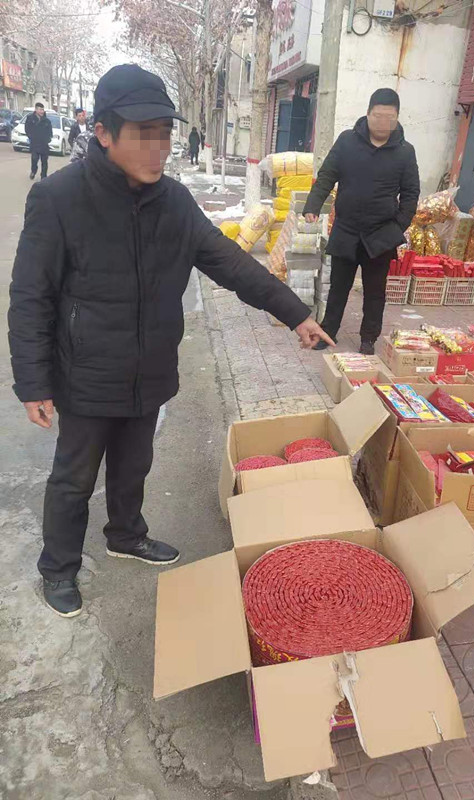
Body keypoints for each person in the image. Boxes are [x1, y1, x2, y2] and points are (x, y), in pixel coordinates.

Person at [8, 64, 332, 619]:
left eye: (163, 133)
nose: (158, 147)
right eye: (143, 133)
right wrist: (33, 383)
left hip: (150, 365)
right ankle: (58, 567)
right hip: (87, 372)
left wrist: (296, 312)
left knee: (134, 463)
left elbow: (230, 263)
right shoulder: (59, 198)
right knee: (73, 478)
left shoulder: (174, 202)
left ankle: (126, 534)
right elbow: (30, 296)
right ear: (104, 132)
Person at [304, 88, 420, 355]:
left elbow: (411, 193)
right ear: (367, 114)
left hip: (381, 235)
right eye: (378, 116)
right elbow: (327, 175)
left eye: (389, 117)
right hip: (347, 229)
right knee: (338, 288)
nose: (383, 122)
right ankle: (328, 332)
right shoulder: (347, 141)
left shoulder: (405, 152)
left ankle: (368, 338)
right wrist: (313, 205)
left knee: (375, 292)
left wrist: (398, 226)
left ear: (397, 118)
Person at [25, 102, 53, 180]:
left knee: (44, 162)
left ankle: (43, 176)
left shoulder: (47, 121)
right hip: (35, 144)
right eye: (40, 109)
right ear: (36, 110)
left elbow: (50, 132)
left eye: (43, 110)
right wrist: (31, 137)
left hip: (44, 144)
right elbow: (27, 129)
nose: (42, 111)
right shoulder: (30, 119)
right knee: (34, 159)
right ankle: (33, 171)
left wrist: (48, 139)